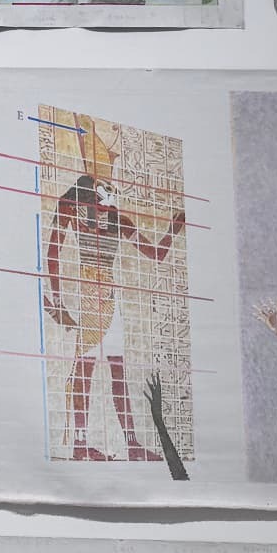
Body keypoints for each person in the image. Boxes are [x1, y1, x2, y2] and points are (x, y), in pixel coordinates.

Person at [43, 173, 183, 461]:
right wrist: (57, 302)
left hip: (108, 296)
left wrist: (175, 227)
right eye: (104, 187)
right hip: (89, 294)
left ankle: (131, 443)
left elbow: (156, 253)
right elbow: (53, 254)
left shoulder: (118, 220)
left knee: (117, 370)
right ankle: (80, 444)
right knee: (86, 369)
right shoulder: (73, 210)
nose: (111, 192)